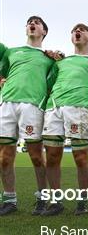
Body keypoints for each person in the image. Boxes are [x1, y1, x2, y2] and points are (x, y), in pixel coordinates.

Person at [40, 23, 88, 216]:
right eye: (74, 30)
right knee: (52, 157)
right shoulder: (60, 62)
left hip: (79, 109)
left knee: (80, 157)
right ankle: (57, 201)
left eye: (81, 30)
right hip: (54, 108)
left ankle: (82, 202)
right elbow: (48, 84)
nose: (77, 32)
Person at [0, 16, 55, 216]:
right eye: (29, 22)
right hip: (6, 104)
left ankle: (42, 197)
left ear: (44, 32)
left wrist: (59, 56)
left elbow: (57, 79)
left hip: (32, 105)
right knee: (4, 157)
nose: (32, 23)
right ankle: (9, 200)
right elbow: (3, 72)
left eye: (37, 22)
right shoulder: (11, 52)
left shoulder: (50, 58)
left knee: (35, 156)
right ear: (26, 29)